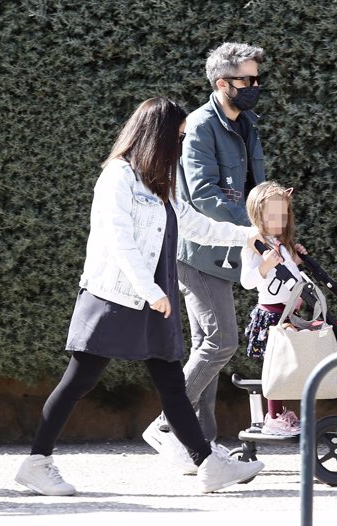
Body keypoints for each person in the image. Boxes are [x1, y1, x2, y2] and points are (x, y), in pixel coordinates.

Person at [14, 96, 265, 497]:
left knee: (171, 382)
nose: (180, 146)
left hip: (154, 297)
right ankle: (36, 463)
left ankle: (207, 464)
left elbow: (194, 225)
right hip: (115, 296)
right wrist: (150, 291)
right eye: (177, 137)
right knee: (80, 379)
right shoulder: (117, 177)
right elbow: (118, 240)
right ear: (157, 136)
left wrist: (246, 235)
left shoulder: (158, 181)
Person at [143, 42, 267, 470]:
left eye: (256, 78)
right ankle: (166, 423)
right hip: (196, 249)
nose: (255, 86)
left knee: (205, 346)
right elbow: (204, 196)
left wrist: (276, 229)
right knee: (220, 342)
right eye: (247, 79)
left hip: (229, 244)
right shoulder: (199, 126)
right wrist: (254, 231)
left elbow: (254, 188)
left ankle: (200, 444)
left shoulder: (246, 123)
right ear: (222, 83)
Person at [240, 182, 307, 436]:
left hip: (287, 314)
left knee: (286, 366)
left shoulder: (279, 243)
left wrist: (295, 260)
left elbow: (288, 276)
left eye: (283, 215)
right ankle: (274, 417)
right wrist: (264, 266)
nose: (279, 220)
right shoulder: (254, 247)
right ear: (258, 215)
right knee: (275, 367)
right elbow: (247, 281)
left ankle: (280, 413)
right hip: (270, 315)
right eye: (272, 216)